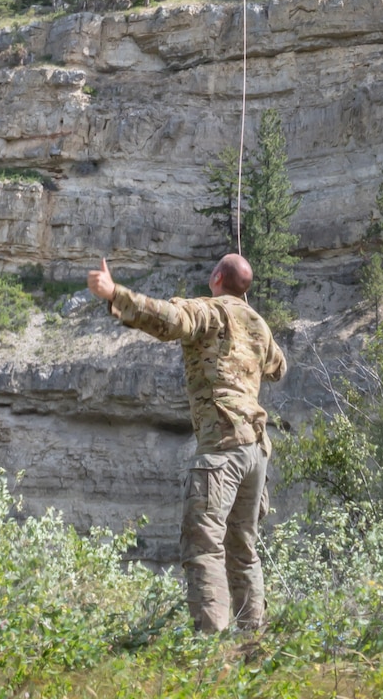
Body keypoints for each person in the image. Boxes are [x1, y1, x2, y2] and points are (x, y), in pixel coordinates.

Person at [86, 249, 286, 633]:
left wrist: (114, 293)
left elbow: (168, 319)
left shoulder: (208, 310)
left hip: (223, 447)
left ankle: (211, 649)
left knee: (204, 545)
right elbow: (278, 368)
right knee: (242, 551)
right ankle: (251, 642)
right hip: (256, 450)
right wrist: (250, 322)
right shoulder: (258, 324)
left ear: (215, 279)